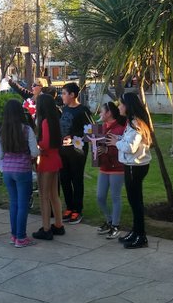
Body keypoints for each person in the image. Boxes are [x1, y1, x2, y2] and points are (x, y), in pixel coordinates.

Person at [106, 92, 152, 249]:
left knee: (135, 202)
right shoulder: (132, 122)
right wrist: (118, 140)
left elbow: (130, 148)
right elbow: (129, 142)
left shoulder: (135, 124)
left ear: (128, 106)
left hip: (135, 167)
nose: (118, 107)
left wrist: (116, 143)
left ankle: (141, 236)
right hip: (134, 166)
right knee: (135, 201)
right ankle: (136, 232)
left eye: (121, 104)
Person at [0, 99, 39, 247]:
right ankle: (21, 237)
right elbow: (34, 152)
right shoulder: (27, 130)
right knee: (23, 205)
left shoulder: (2, 131)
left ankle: (14, 235)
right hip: (23, 170)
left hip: (7, 171)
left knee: (13, 203)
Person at [32, 94, 65, 240]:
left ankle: (46, 228)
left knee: (44, 196)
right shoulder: (55, 120)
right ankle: (58, 224)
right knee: (54, 195)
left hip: (46, 160)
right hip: (55, 158)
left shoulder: (44, 122)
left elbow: (45, 143)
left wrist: (35, 145)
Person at [59, 82, 92, 224]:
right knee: (64, 179)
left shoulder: (83, 110)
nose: (62, 96)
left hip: (77, 152)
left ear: (72, 95)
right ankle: (69, 207)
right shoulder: (65, 109)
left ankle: (78, 210)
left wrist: (73, 139)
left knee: (76, 180)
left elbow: (91, 133)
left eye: (64, 93)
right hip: (63, 151)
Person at [95, 102, 127, 239]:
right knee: (100, 197)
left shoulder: (120, 129)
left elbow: (123, 147)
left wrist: (108, 150)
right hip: (104, 167)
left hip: (117, 168)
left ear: (108, 113)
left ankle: (115, 225)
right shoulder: (100, 128)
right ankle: (109, 220)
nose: (100, 114)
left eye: (102, 111)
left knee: (115, 197)